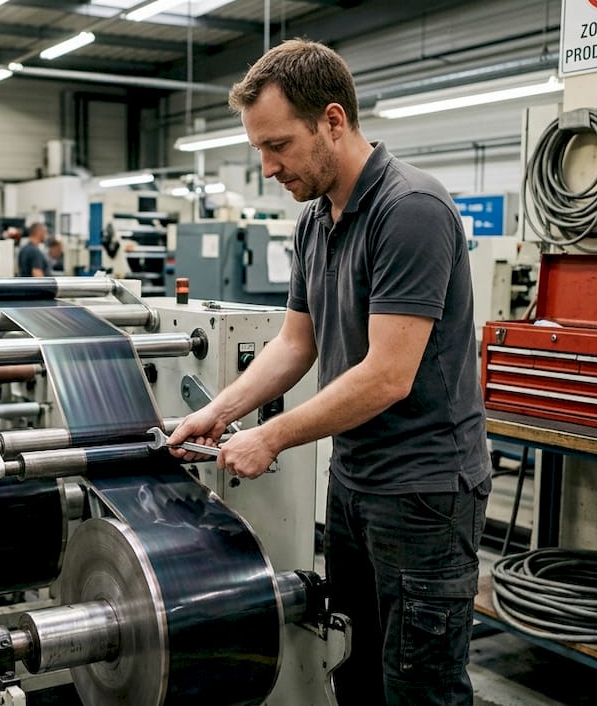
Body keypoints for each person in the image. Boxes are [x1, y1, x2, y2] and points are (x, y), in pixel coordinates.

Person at [168, 39, 490, 705]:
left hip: (424, 495)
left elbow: (386, 375)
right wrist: (218, 411)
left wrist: (272, 436)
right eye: (260, 148)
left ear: (333, 121)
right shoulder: (315, 221)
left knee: (419, 687)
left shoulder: (411, 211)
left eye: (279, 144)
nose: (267, 167)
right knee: (355, 668)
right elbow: (295, 344)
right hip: (354, 485)